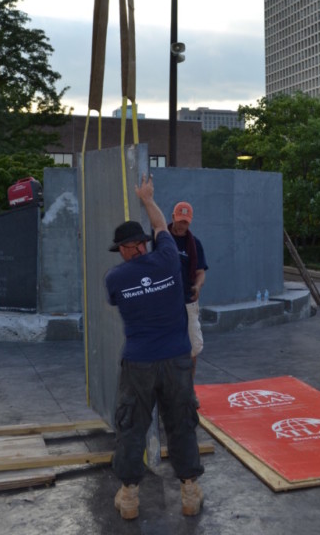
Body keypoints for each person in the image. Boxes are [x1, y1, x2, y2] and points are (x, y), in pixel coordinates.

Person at [105, 175, 204, 520]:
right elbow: (162, 225)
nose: (121, 255)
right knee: (180, 422)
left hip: (139, 364)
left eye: (121, 249)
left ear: (128, 248)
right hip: (176, 358)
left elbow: (119, 301)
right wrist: (147, 198)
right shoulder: (167, 261)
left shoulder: (116, 279)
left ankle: (130, 496)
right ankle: (189, 491)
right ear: (143, 243)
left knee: (132, 425)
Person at [169, 201, 209, 405]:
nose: (182, 225)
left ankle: (188, 390)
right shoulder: (161, 240)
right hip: (166, 304)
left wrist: (198, 286)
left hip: (188, 301)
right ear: (173, 217)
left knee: (193, 347)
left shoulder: (195, 244)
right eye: (180, 220)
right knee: (165, 348)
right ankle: (167, 392)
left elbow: (201, 272)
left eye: (186, 222)